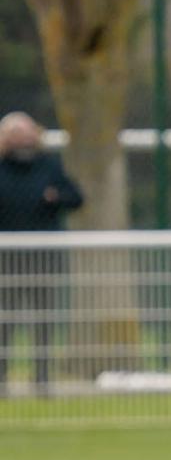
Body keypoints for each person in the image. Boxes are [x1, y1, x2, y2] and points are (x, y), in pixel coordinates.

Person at [0, 111, 80, 393]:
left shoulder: (49, 166)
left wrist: (55, 198)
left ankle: (43, 377)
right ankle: (2, 378)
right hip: (5, 260)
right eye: (16, 133)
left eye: (27, 131)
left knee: (44, 320)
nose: (23, 138)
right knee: (4, 320)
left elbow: (76, 198)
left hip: (43, 257)